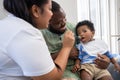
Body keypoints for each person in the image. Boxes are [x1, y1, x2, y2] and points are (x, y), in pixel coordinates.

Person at [0, 0, 75, 80]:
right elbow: (52, 78)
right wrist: (67, 47)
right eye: (49, 9)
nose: (51, 14)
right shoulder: (26, 33)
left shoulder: (7, 24)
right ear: (35, 10)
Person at [41, 1, 80, 80]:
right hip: (58, 71)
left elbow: (87, 46)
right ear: (48, 22)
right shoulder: (41, 35)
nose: (63, 23)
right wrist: (66, 51)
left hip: (79, 67)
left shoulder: (74, 28)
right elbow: (42, 61)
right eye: (58, 22)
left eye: (64, 18)